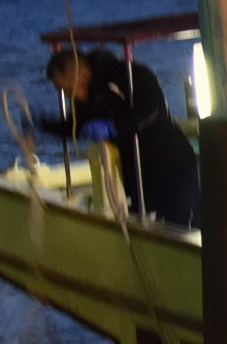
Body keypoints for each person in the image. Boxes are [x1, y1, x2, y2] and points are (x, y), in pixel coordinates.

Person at [39, 44, 199, 227]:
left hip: (171, 163)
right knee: (146, 225)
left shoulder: (130, 76)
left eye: (68, 89)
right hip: (136, 171)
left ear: (82, 73)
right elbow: (76, 126)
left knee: (184, 224)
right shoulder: (85, 96)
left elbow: (152, 111)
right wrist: (42, 124)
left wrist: (114, 127)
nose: (69, 96)